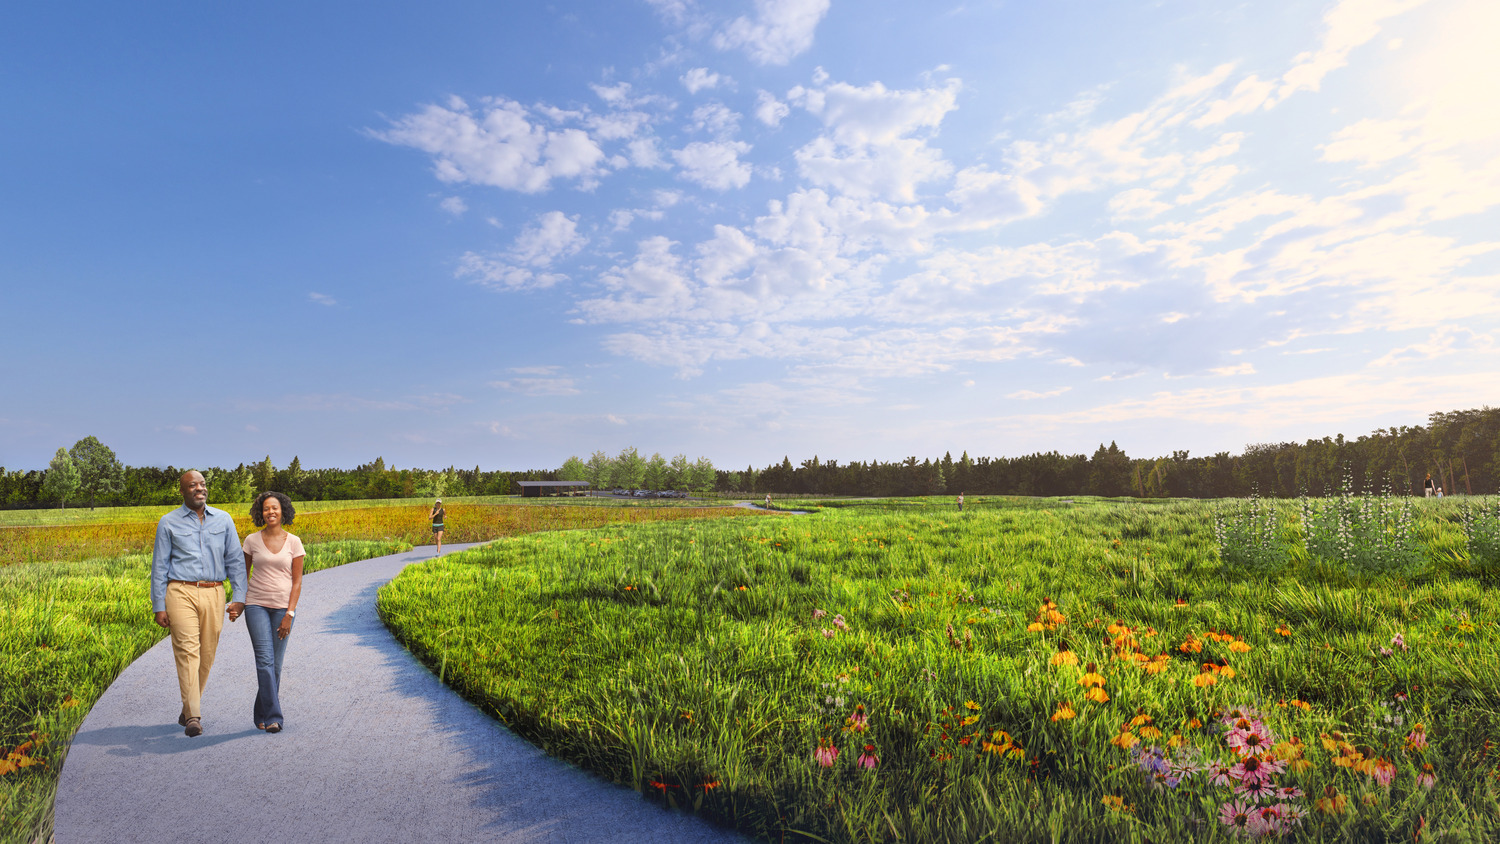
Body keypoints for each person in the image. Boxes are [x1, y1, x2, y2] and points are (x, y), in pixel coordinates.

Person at [150, 470, 247, 737]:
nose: (199, 489)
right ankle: (193, 715)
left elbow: (236, 561)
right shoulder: (168, 522)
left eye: (202, 484)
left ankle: (186, 707)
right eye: (192, 485)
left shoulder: (224, 520)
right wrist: (159, 604)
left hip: (215, 591)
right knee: (187, 651)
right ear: (182, 491)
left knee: (207, 655)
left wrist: (239, 597)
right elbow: (159, 566)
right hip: (180, 591)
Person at [242, 491, 304, 733]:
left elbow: (297, 582)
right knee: (265, 661)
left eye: (275, 508)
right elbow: (242, 575)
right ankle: (274, 718)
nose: (271, 512)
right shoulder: (251, 540)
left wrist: (290, 613)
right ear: (261, 513)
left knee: (275, 665)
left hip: (283, 609)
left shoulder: (294, 542)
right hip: (256, 605)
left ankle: (261, 712)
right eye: (266, 508)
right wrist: (239, 602)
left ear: (283, 511)